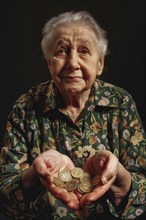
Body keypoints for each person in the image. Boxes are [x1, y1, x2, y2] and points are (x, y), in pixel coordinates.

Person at [0, 11, 145, 220]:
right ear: (49, 62)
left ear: (100, 64)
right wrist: (34, 173)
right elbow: (5, 194)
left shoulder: (121, 103)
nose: (73, 63)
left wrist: (119, 176)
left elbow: (143, 191)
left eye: (84, 51)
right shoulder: (25, 106)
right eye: (62, 51)